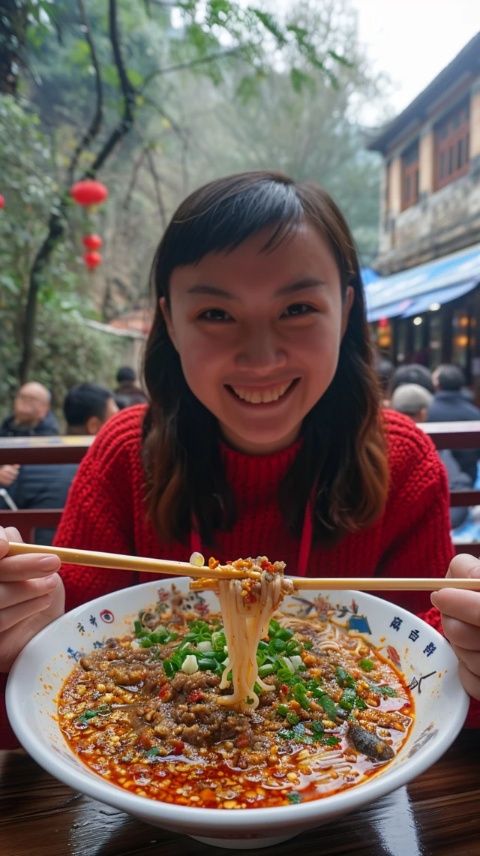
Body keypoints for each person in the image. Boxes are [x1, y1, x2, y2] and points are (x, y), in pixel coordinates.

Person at [1, 171, 480, 752]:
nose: (260, 356)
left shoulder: (403, 461)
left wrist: (470, 653)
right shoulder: (125, 454)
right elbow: (48, 693)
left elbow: (432, 682)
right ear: (170, 320)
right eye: (216, 314)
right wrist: (21, 632)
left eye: (297, 307)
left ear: (346, 309)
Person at [0, 383, 118, 545]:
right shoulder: (104, 472)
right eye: (22, 397)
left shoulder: (34, 460)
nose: (25, 403)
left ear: (45, 407)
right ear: (93, 425)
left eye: (32, 399)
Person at [390, 383, 472, 530]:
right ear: (423, 413)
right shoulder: (431, 448)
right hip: (426, 532)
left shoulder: (379, 442)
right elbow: (457, 493)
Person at [428, 364, 480, 483]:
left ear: (437, 385)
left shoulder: (428, 412)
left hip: (435, 481)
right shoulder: (475, 414)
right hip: (469, 481)